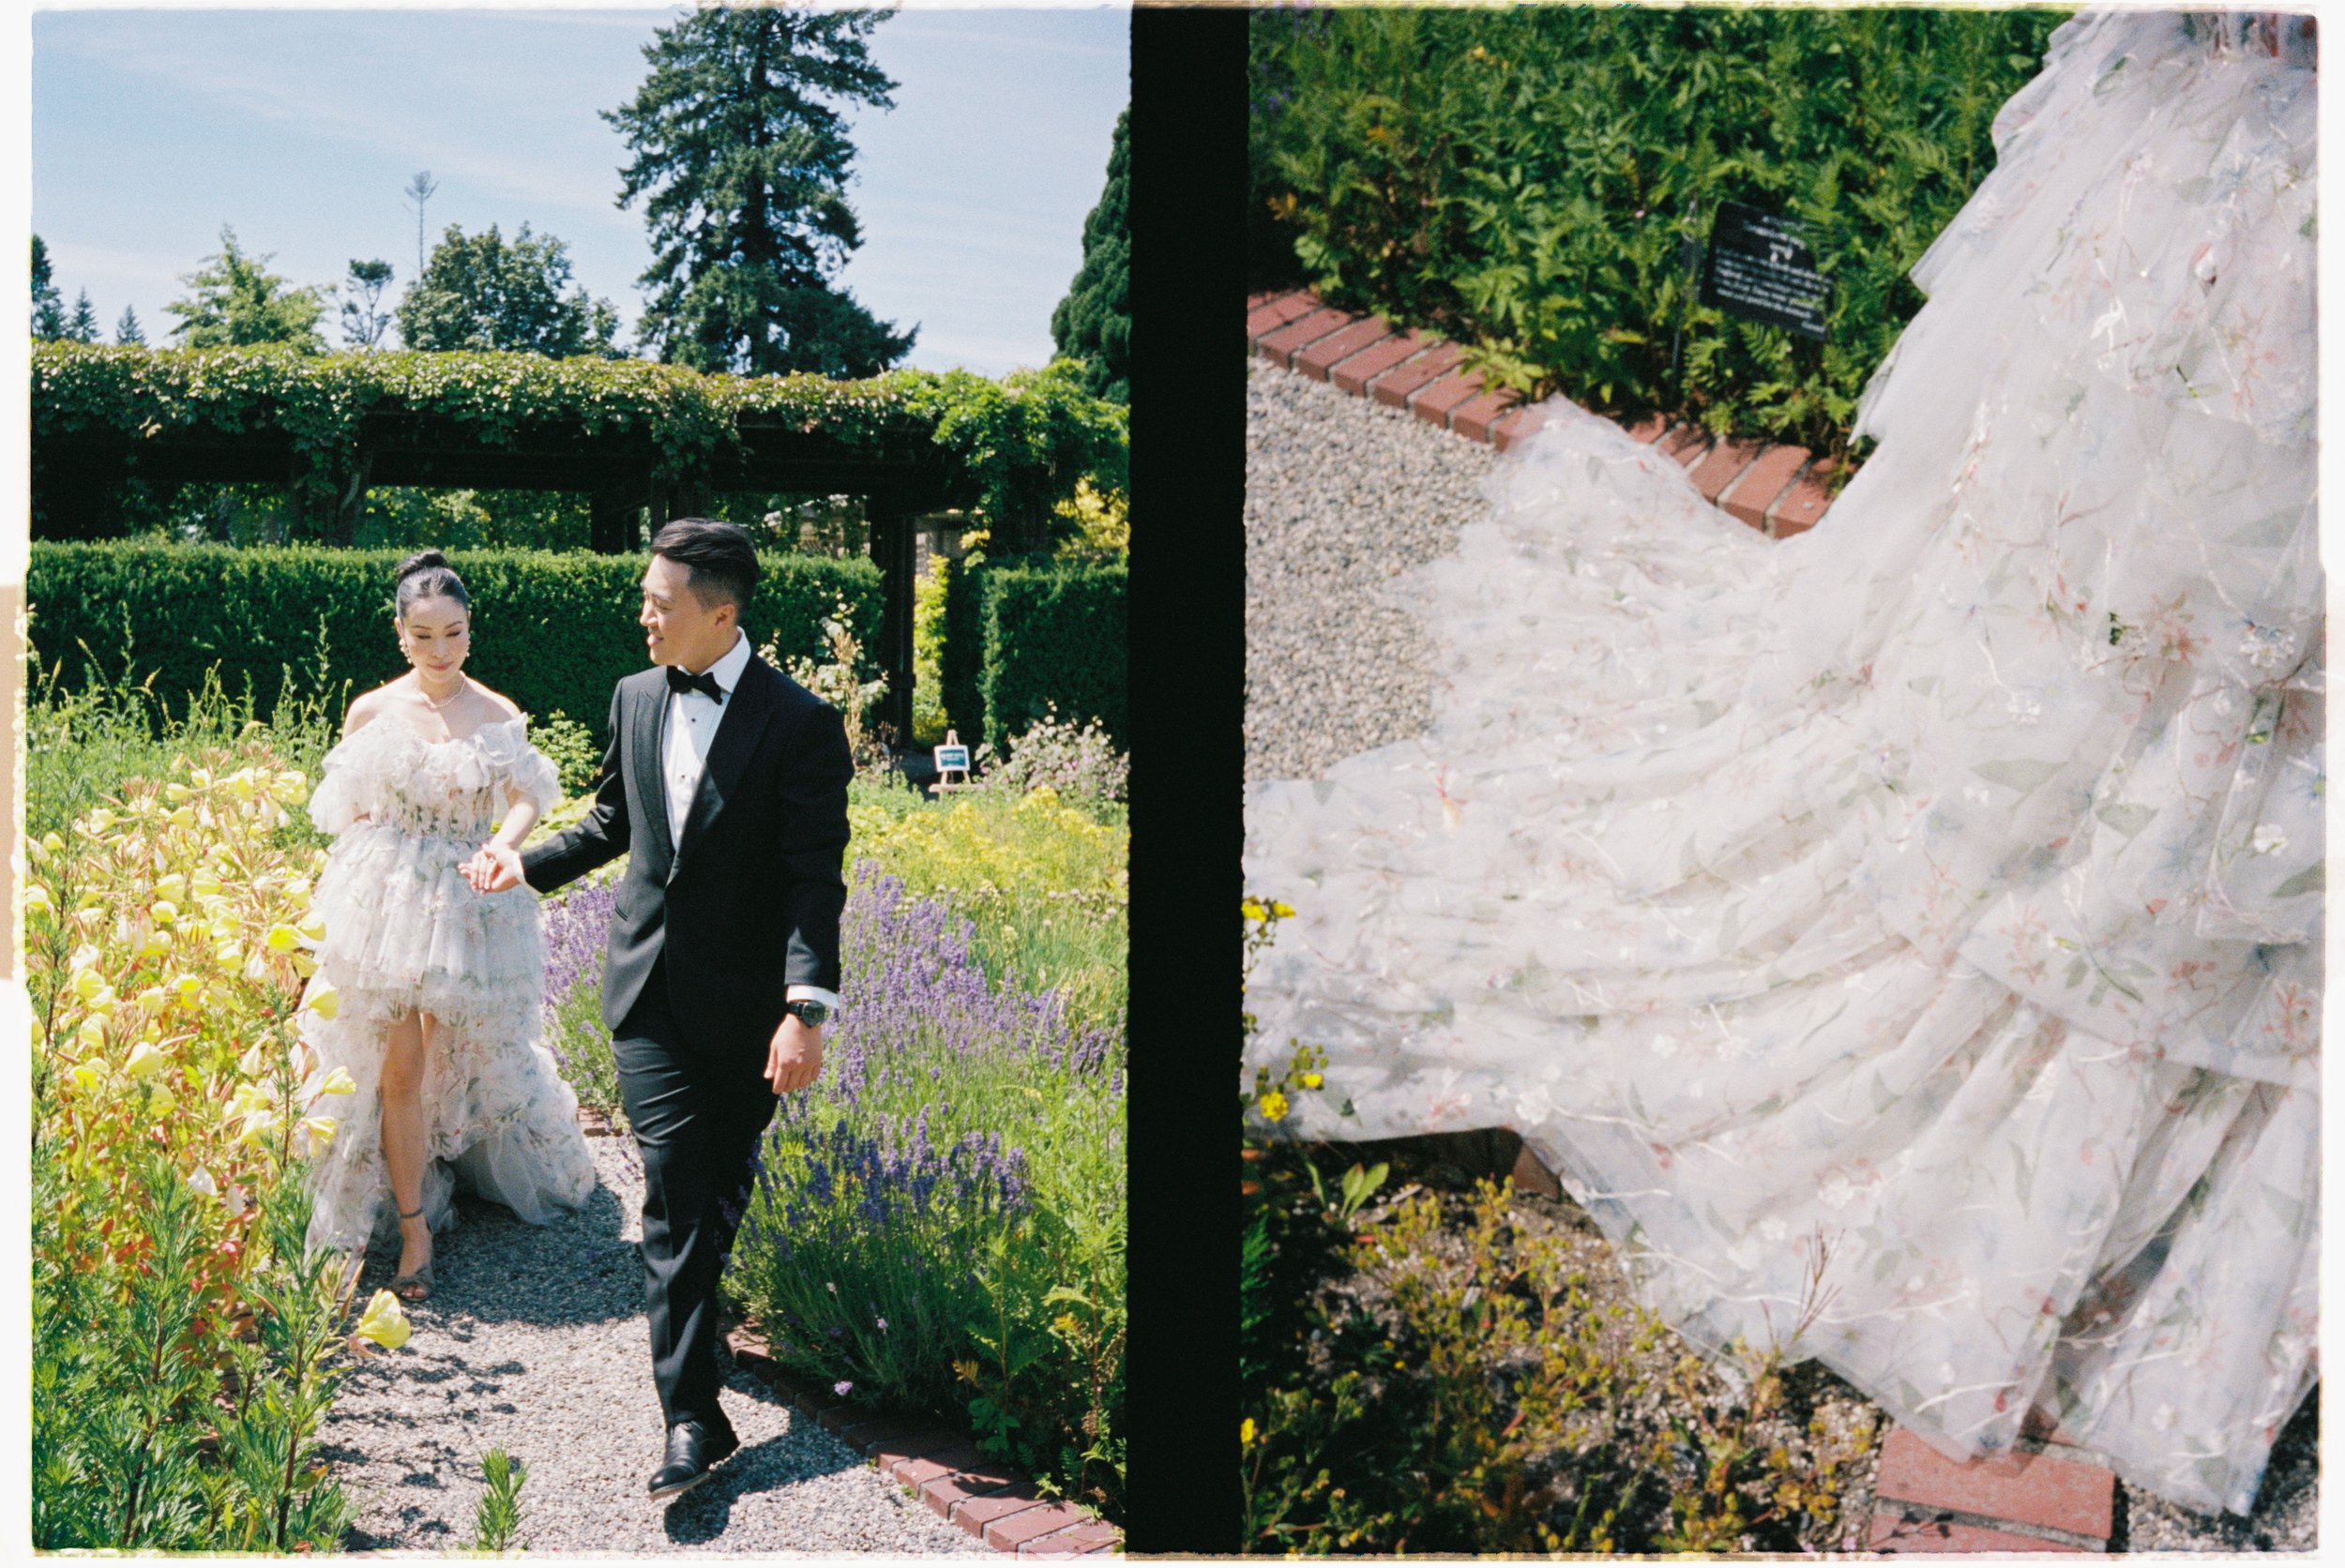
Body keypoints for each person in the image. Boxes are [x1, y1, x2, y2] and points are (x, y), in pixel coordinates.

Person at [1243, 9, 2315, 1521]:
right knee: (2156, 611)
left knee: (2226, 636)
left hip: (2245, 171)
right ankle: (2088, 896)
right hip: (2246, 173)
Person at [474, 517, 853, 1503]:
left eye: (659, 600)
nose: (642, 614)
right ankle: (691, 1413)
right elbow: (611, 819)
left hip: (747, 1011)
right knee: (677, 1195)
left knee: (717, 1188)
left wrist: (804, 1008)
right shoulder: (635, 696)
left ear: (719, 612)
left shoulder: (801, 724)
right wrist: (528, 863)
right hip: (646, 994)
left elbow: (813, 880)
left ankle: (700, 1329)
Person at [297, 550, 597, 1302]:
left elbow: (529, 792)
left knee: (452, 1062)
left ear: (470, 631)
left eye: (453, 633)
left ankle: (438, 1176)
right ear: (400, 633)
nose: (439, 651)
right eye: (423, 635)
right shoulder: (371, 711)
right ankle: (413, 1230)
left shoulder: (496, 714)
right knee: (399, 1070)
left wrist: (504, 839)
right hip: (389, 902)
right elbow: (350, 813)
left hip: (470, 901)